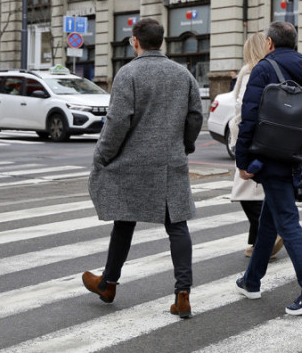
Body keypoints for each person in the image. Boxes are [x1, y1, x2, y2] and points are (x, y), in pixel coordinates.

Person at [83, 18, 203, 319]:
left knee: (124, 220)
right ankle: (183, 293)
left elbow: (117, 121)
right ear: (160, 41)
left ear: (135, 41)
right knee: (177, 225)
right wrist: (184, 146)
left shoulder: (128, 74)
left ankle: (109, 283)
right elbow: (195, 117)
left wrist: (103, 155)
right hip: (169, 163)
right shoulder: (182, 74)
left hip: (133, 164)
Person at [234, 22, 302, 316]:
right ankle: (251, 281)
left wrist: (243, 162)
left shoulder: (263, 69)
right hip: (296, 159)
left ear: (270, 44)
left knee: (288, 223)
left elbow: (249, 119)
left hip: (269, 158)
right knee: (269, 220)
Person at [229, 32, 285, 258]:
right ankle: (256, 241)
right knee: (259, 190)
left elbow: (244, 107)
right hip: (271, 138)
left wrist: (238, 129)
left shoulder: (251, 71)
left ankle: (271, 233)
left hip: (250, 138)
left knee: (246, 191)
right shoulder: (275, 69)